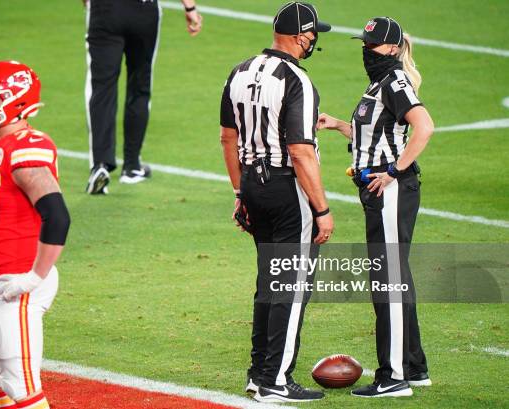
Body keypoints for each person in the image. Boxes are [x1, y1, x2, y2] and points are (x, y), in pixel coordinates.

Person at [220, 2, 333, 403]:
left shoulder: (240, 71)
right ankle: (276, 380)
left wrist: (240, 192)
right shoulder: (296, 79)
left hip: (252, 183)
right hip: (288, 191)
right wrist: (321, 209)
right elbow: (300, 151)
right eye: (313, 33)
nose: (314, 40)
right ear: (302, 35)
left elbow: (227, 139)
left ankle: (259, 372)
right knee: (291, 284)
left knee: (269, 281)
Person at [317, 17, 434, 398]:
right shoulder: (381, 83)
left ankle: (394, 376)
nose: (367, 51)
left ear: (393, 49)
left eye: (373, 45)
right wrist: (337, 125)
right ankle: (413, 368)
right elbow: (376, 134)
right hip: (377, 189)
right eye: (365, 44)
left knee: (389, 282)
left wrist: (394, 173)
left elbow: (424, 126)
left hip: (389, 191)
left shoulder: (395, 81)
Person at [0, 61, 71, 409]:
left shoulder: (27, 148)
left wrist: (33, 278)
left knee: (20, 385)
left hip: (18, 277)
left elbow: (57, 216)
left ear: (19, 102)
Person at [83, 0, 203, 194]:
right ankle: (131, 167)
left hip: (104, 9)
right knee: (139, 87)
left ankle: (100, 165)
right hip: (143, 10)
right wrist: (190, 8)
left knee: (101, 89)